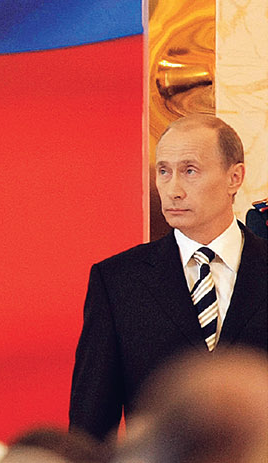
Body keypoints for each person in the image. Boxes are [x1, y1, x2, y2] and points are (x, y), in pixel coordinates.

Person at [70, 113, 267, 441]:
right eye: (164, 171)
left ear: (235, 177)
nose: (173, 189)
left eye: (190, 171)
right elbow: (90, 426)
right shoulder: (118, 281)